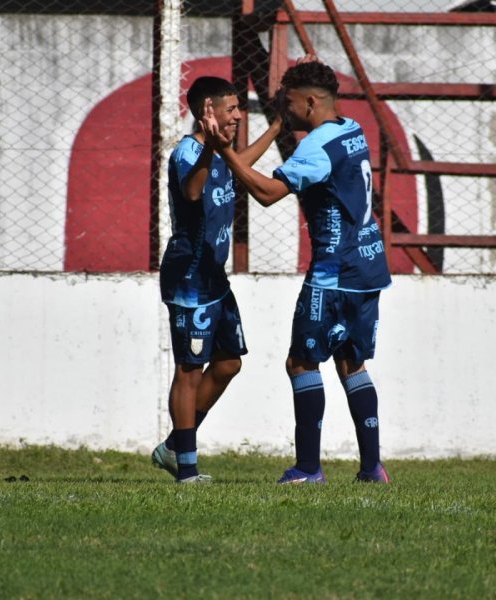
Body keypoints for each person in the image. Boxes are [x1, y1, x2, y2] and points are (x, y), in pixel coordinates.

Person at [201, 58, 392, 484]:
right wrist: (304, 74)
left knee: (301, 362)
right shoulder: (351, 129)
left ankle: (307, 468)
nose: (285, 111)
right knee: (351, 362)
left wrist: (224, 150)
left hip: (334, 272)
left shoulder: (316, 148)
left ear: (309, 103)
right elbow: (311, 96)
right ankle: (372, 468)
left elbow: (268, 193)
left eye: (289, 104)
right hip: (369, 265)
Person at [153, 76, 282, 484]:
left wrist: (277, 126)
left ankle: (174, 446)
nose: (238, 116)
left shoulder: (220, 151)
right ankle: (186, 470)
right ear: (206, 111)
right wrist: (211, 146)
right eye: (231, 109)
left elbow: (241, 162)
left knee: (228, 363)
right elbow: (193, 192)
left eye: (238, 108)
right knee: (189, 371)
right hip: (190, 280)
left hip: (215, 279)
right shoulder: (188, 152)